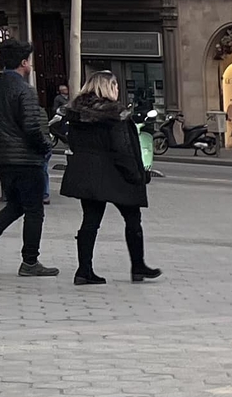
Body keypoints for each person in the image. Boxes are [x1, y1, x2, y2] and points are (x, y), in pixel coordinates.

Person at [60, 69, 158, 284]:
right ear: (109, 87)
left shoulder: (76, 113)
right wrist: (137, 175)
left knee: (90, 221)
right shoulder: (115, 115)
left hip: (87, 173)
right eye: (115, 86)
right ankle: (138, 266)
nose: (117, 91)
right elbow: (123, 148)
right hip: (115, 174)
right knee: (132, 218)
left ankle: (84, 271)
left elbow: (71, 140)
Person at [0, 45, 58, 277]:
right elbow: (31, 127)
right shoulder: (24, 91)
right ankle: (30, 262)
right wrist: (45, 147)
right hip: (27, 159)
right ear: (22, 63)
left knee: (17, 204)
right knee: (34, 211)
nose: (30, 65)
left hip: (2, 157)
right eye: (28, 60)